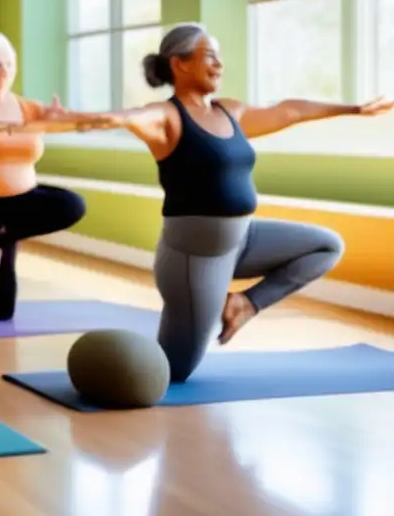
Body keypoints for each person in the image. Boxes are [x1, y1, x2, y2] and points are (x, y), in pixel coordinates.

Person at [70, 23, 393, 381]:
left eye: (219, 57)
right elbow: (129, 117)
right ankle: (109, 366)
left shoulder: (230, 112)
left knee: (325, 247)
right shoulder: (168, 117)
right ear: (179, 64)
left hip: (242, 241)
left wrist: (354, 109)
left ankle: (244, 302)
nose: (220, 65)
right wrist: (83, 120)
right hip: (194, 261)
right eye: (210, 56)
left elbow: (290, 111)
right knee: (174, 371)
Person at [0, 32, 108, 320]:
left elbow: (69, 119)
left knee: (72, 205)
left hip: (18, 205)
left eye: (7, 62)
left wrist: (93, 121)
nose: (1, 70)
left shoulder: (29, 108)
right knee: (2, 309)